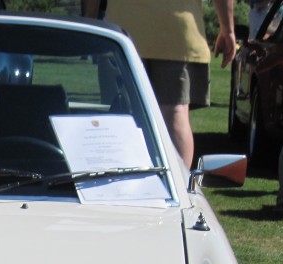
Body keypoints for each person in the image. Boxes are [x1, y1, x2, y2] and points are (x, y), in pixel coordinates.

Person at [83, 0, 236, 169]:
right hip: (177, 32)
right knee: (175, 113)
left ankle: (123, 179)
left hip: (122, 29)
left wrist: (89, 21)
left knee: (121, 114)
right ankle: (178, 180)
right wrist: (227, 28)